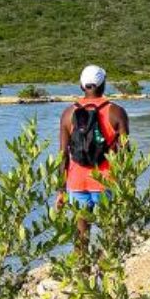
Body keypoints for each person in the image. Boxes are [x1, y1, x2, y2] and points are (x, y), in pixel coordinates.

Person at [58, 64, 130, 254]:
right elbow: (125, 152)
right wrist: (127, 185)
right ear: (103, 84)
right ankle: (109, 278)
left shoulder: (68, 113)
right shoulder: (116, 112)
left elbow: (63, 155)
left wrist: (60, 190)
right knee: (111, 235)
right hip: (106, 180)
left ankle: (82, 277)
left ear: (82, 86)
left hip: (76, 183)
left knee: (81, 237)